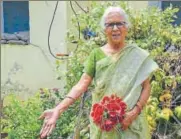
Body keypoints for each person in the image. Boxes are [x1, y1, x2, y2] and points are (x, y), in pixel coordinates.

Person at [39, 6, 158, 139]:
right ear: (104, 29)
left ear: (126, 27)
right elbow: (81, 85)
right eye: (110, 24)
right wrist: (58, 109)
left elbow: (146, 86)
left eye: (119, 23)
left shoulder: (137, 55)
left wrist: (133, 113)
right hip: (105, 125)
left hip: (132, 123)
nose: (115, 28)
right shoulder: (96, 55)